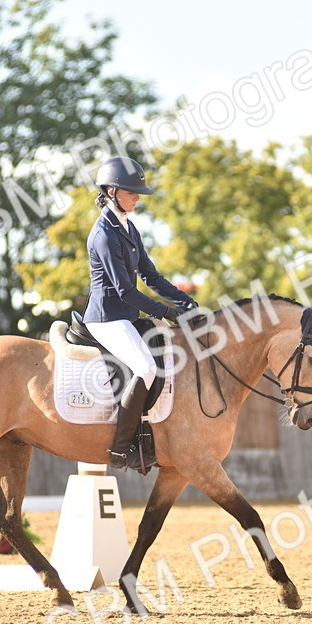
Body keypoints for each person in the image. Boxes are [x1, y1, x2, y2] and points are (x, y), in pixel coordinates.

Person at [82, 156, 197, 470]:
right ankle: (121, 449)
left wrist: (184, 301)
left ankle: (148, 433)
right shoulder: (104, 234)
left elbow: (151, 277)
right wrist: (167, 312)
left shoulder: (129, 228)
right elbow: (125, 290)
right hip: (106, 318)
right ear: (112, 192)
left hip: (127, 316)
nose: (137, 197)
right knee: (145, 368)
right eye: (132, 192)